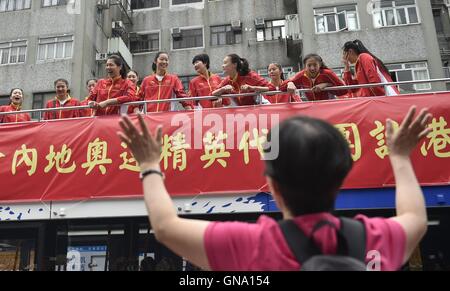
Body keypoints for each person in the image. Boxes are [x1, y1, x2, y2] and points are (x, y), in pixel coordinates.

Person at [117, 106, 432, 271]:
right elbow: (415, 219)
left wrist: (149, 164)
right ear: (341, 179)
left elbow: (165, 226)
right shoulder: (377, 240)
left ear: (272, 186)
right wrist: (401, 157)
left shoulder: (253, 244)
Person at [279, 54, 348, 101]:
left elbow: (344, 90)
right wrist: (289, 83)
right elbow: (281, 87)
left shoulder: (327, 73)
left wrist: (326, 85)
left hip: (329, 106)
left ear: (320, 65)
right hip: (312, 107)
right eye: (309, 65)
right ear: (305, 66)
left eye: (315, 65)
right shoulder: (301, 75)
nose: (312, 68)